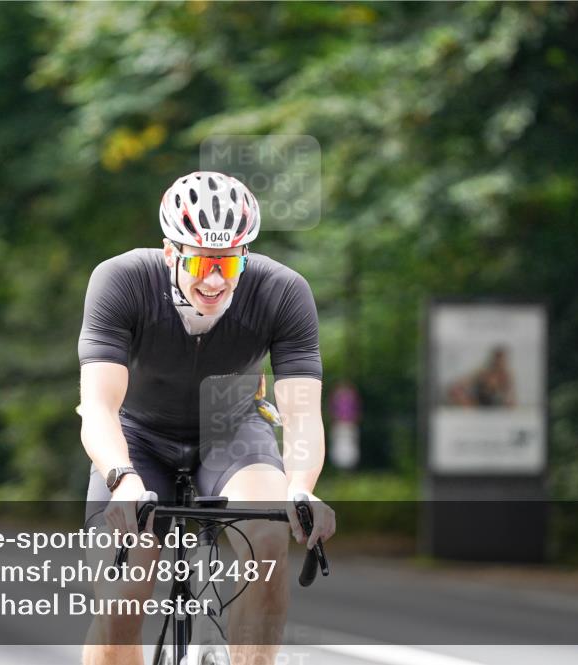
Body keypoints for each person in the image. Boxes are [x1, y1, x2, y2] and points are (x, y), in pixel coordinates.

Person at [78, 171, 336, 665]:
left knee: (266, 537)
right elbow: (98, 406)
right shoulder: (122, 280)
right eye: (199, 261)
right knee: (120, 603)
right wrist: (122, 478)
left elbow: (302, 412)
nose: (215, 280)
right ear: (171, 252)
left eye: (229, 262)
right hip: (137, 440)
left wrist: (301, 486)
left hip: (233, 431)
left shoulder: (282, 292)